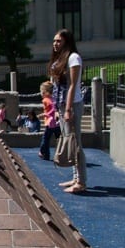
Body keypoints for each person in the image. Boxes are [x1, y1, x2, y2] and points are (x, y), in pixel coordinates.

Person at [48, 28, 87, 193]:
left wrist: (68, 108)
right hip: (63, 105)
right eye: (55, 41)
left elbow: (72, 85)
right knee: (70, 142)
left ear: (67, 42)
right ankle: (75, 177)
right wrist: (58, 108)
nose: (56, 44)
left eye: (59, 41)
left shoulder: (73, 58)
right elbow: (57, 87)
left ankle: (82, 181)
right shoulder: (60, 59)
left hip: (72, 105)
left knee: (76, 143)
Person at [38, 80, 61, 160]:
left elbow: (52, 109)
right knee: (59, 138)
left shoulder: (46, 100)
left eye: (42, 92)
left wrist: (45, 114)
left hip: (50, 123)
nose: (41, 94)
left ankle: (43, 152)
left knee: (45, 139)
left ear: (45, 92)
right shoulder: (54, 98)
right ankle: (60, 154)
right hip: (57, 123)